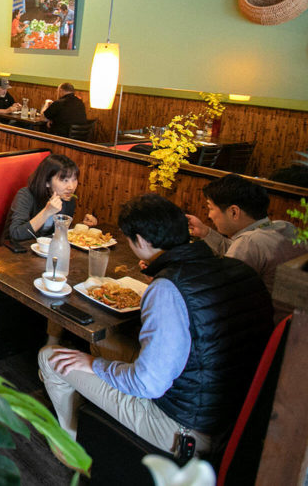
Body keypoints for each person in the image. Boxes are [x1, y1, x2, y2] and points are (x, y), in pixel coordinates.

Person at [38, 193, 273, 455]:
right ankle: (91, 414)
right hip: (237, 416)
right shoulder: (239, 269)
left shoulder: (168, 289)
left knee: (50, 358)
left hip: (183, 429)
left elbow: (148, 384)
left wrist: (94, 365)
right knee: (100, 342)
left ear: (139, 241)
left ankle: (69, 450)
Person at [186, 174, 301, 293]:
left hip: (269, 310)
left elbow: (221, 290)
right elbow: (237, 251)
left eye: (210, 208)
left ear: (234, 212)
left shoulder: (249, 242)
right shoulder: (285, 226)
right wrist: (205, 232)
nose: (209, 216)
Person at [3, 153, 97, 242]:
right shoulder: (26, 195)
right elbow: (16, 234)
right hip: (15, 252)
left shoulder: (67, 198)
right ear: (47, 182)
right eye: (64, 180)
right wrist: (46, 212)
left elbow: (60, 233)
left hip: (46, 251)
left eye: (74, 179)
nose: (71, 187)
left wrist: (82, 226)